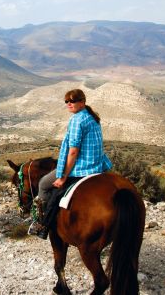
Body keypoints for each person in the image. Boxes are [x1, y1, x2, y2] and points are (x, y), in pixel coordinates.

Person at [28, 88, 112, 239]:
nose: (69, 104)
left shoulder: (76, 120)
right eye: (67, 101)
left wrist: (63, 177)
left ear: (82, 102)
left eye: (72, 101)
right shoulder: (92, 117)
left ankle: (42, 223)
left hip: (82, 167)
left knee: (44, 184)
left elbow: (73, 152)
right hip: (97, 164)